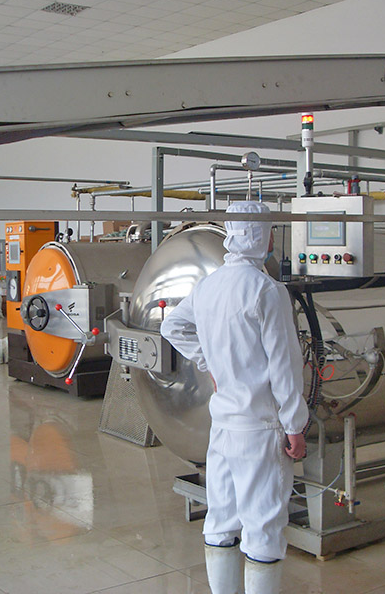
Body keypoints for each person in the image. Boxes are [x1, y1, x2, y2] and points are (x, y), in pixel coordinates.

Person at [161, 200, 309, 594]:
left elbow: (172, 326)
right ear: (263, 237)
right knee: (263, 528)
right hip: (261, 428)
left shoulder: (209, 285)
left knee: (221, 520)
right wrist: (295, 425)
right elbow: (284, 366)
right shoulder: (267, 291)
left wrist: (207, 362)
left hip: (223, 425)